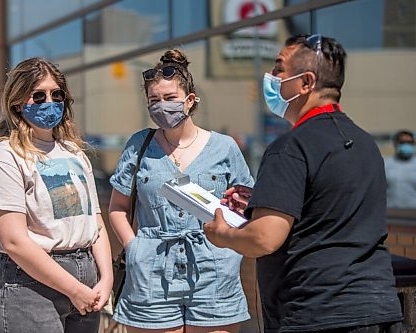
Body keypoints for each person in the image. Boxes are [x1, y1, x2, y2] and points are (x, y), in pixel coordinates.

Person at [204, 35, 403, 333]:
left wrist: (222, 235)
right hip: (378, 310)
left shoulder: (290, 147)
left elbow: (263, 239)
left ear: (306, 82)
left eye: (279, 69)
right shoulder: (364, 144)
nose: (272, 78)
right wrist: (264, 199)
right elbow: (328, 207)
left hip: (317, 313)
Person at [109, 48, 254, 332]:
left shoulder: (224, 147)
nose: (161, 106)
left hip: (214, 272)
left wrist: (233, 244)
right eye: (154, 100)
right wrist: (134, 247)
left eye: (170, 98)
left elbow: (245, 206)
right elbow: (117, 208)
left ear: (189, 100)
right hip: (151, 272)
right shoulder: (138, 146)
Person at [0, 57, 113, 333]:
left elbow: (95, 223)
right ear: (18, 103)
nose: (50, 101)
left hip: (86, 281)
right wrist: (74, 289)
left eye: (56, 94)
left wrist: (105, 279)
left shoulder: (74, 153)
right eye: (38, 96)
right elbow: (13, 241)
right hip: (29, 286)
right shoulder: (6, 155)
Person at [385, 130, 416, 209]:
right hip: (390, 211)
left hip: (413, 211)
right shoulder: (386, 164)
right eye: (402, 142)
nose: (406, 145)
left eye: (409, 143)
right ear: (396, 144)